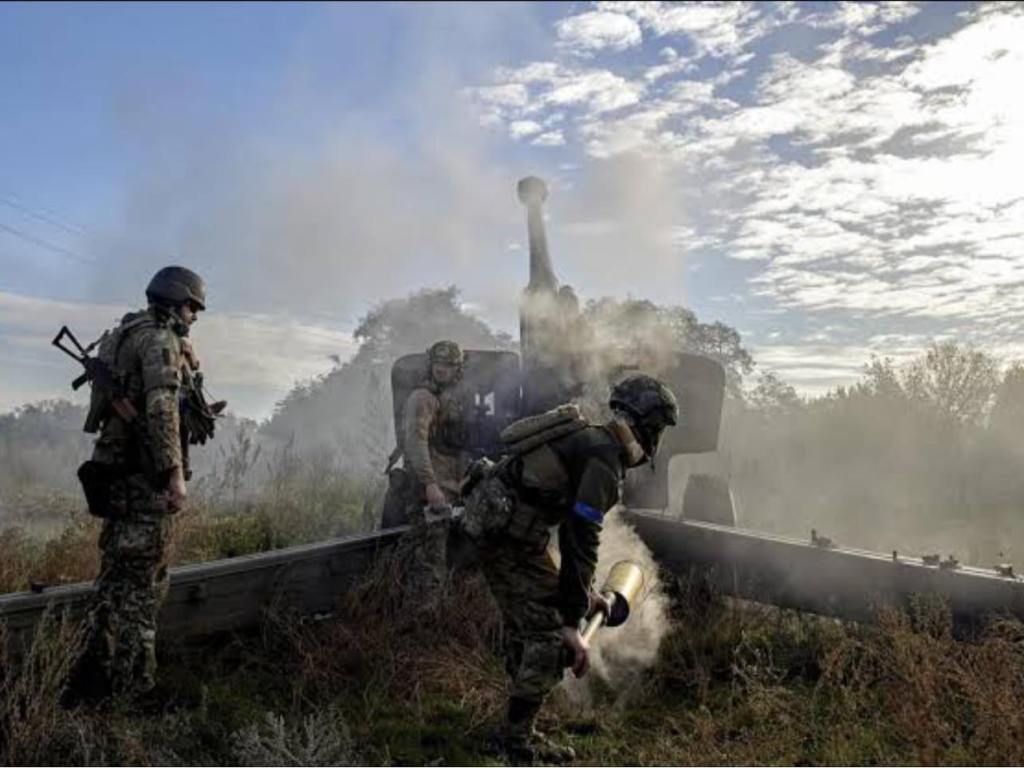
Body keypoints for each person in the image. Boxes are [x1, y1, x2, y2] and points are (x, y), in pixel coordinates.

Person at [469, 373, 679, 764]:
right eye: (659, 429)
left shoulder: (594, 440)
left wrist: (583, 596)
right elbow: (580, 539)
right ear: (648, 427)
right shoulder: (604, 459)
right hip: (508, 542)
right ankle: (513, 741)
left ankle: (514, 726)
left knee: (536, 629)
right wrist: (570, 621)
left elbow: (568, 533)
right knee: (552, 641)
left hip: (512, 537)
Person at [66, 265, 209, 706]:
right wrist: (173, 475)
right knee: (144, 585)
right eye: (192, 307)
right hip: (143, 478)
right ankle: (136, 689)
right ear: (175, 301)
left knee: (113, 579)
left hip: (114, 474)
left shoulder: (125, 333)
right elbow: (163, 407)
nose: (194, 316)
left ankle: (93, 675)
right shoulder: (159, 340)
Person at [393, 340, 472, 609]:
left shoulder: (448, 399)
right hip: (431, 493)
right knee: (430, 564)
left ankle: (434, 612)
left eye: (448, 365)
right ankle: (422, 618)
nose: (441, 369)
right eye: (438, 363)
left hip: (449, 491)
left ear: (457, 369)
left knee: (440, 558)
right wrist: (430, 485)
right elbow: (416, 443)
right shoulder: (423, 398)